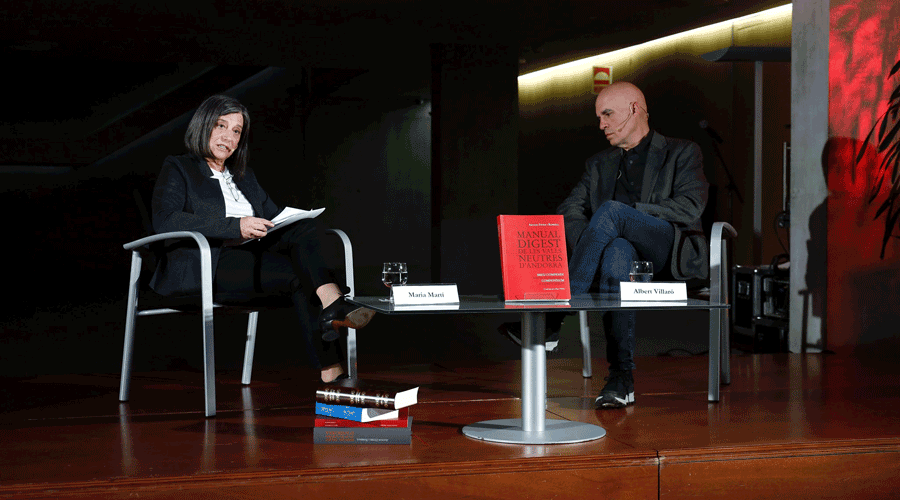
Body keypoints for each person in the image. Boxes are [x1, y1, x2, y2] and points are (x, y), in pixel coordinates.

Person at [501, 82, 709, 409]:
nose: (601, 125)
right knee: (616, 252)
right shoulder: (599, 164)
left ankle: (554, 322)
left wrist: (625, 216)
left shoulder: (681, 151)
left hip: (666, 249)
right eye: (599, 117)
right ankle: (620, 380)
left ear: (634, 109)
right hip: (621, 258)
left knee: (612, 212)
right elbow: (569, 209)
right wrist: (599, 236)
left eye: (607, 114)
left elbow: (689, 206)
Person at [150, 94, 374, 384]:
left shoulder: (244, 177)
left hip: (252, 255)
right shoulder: (179, 168)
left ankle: (331, 305)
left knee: (304, 229)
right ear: (203, 125)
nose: (228, 137)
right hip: (208, 263)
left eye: (236, 131)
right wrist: (235, 226)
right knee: (302, 277)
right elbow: (166, 220)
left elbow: (275, 219)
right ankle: (333, 367)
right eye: (221, 126)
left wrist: (289, 220)